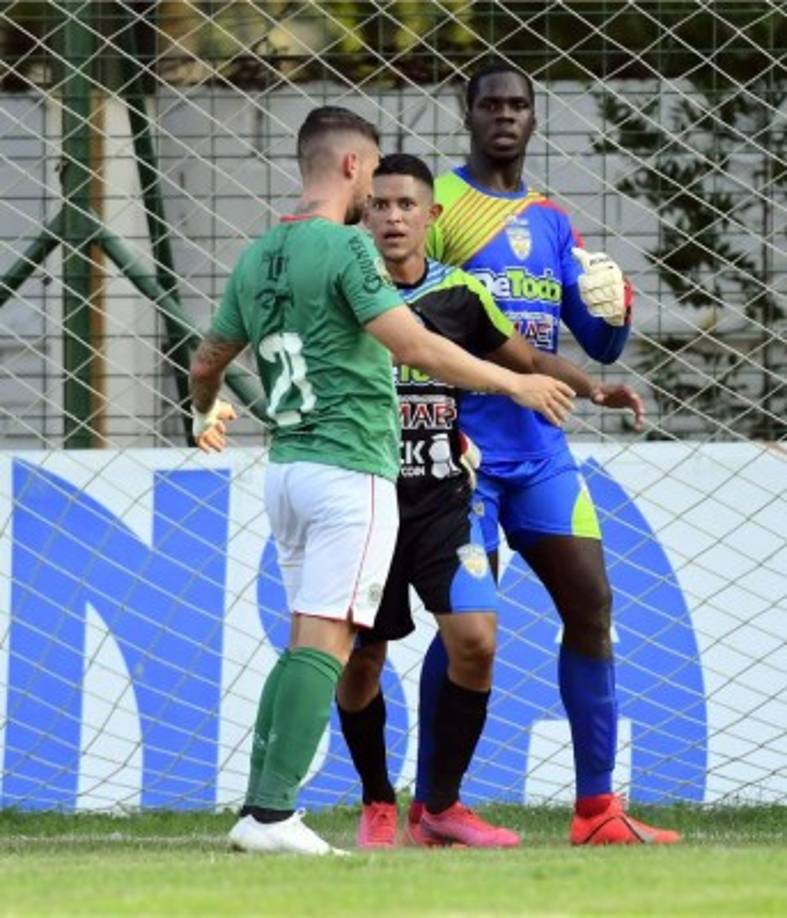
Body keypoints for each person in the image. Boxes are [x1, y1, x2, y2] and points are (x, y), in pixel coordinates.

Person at [189, 106, 575, 856]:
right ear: (349, 168)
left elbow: (207, 361)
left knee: (307, 633)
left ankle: (260, 809)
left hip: (288, 468)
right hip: (349, 472)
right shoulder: (346, 249)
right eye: (373, 178)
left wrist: (206, 412)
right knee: (329, 644)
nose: (379, 201)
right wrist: (513, 385)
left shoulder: (258, 253)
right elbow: (414, 345)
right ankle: (272, 816)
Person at [336, 153, 645, 849]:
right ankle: (383, 801)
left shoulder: (469, 286)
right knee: (363, 657)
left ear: (427, 216)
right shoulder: (346, 289)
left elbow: (528, 360)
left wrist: (593, 389)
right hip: (380, 490)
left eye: (404, 206)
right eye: (379, 205)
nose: (392, 217)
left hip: (468, 480)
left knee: (496, 628)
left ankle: (461, 807)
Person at [417, 60, 682, 846]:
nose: (504, 114)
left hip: (539, 451)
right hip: (462, 450)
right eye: (490, 103)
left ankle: (596, 811)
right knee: (465, 627)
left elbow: (594, 342)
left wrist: (615, 308)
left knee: (592, 604)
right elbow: (410, 308)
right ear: (467, 113)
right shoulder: (441, 206)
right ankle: (437, 807)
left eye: (518, 104)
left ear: (534, 118)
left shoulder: (552, 221)